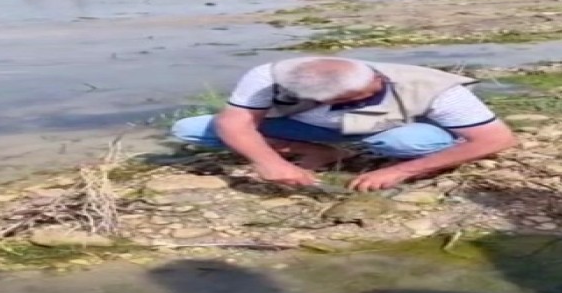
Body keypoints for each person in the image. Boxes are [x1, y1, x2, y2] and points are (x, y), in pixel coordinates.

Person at [171, 56, 517, 192]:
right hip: (311, 128)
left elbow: (496, 139)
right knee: (191, 129)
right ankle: (321, 152)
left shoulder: (431, 86)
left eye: (376, 83)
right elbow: (235, 122)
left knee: (410, 144)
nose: (379, 84)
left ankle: (385, 157)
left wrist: (399, 172)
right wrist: (270, 162)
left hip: (391, 130)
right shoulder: (270, 76)